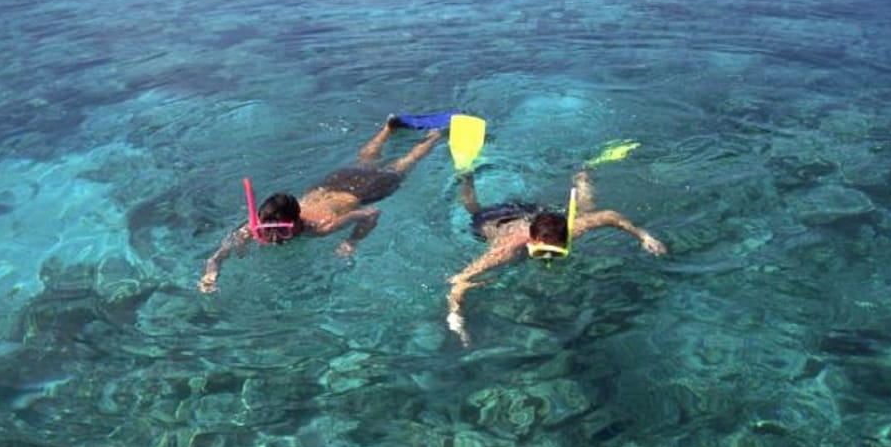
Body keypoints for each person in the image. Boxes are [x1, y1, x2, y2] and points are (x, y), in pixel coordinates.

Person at [198, 115, 443, 293]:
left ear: (296, 222)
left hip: (364, 191)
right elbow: (216, 257)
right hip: (333, 183)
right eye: (267, 230)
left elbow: (371, 212)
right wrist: (211, 275)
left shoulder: (322, 227)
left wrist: (352, 241)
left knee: (403, 165)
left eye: (282, 232)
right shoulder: (257, 228)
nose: (272, 238)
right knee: (364, 160)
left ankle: (434, 136)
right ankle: (387, 128)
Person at [446, 165, 667, 346]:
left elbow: (610, 216)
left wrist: (644, 236)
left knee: (586, 212)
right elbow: (459, 280)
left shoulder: (572, 230)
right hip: (495, 219)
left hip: (534, 214)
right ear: (532, 241)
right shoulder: (506, 250)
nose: (547, 257)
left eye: (555, 252)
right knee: (473, 210)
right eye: (543, 251)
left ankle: (583, 174)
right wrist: (456, 316)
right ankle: (467, 178)